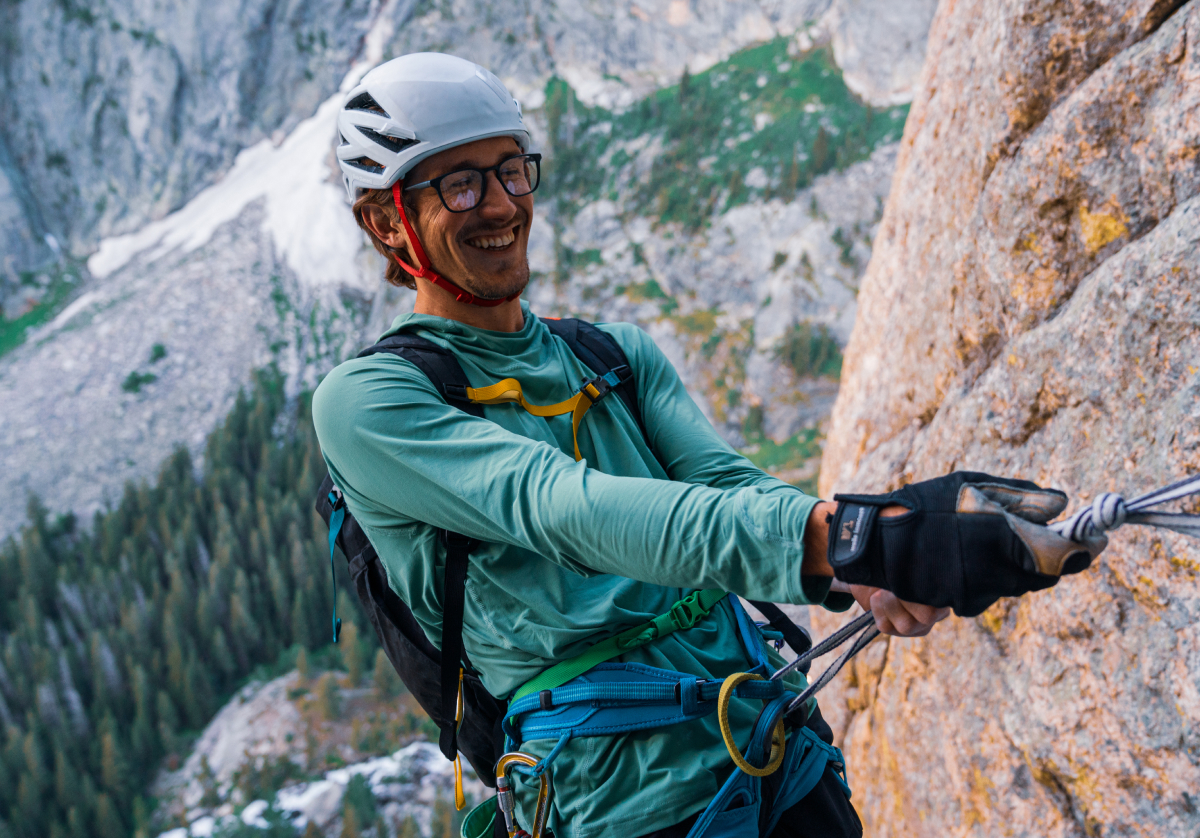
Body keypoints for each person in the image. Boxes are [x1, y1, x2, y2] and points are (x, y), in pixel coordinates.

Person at [313, 53, 1100, 838]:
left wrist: (862, 570)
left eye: (512, 169)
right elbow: (562, 507)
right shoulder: (369, 403)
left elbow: (725, 483)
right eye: (459, 183)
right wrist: (851, 539)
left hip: (773, 749)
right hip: (623, 803)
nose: (500, 205)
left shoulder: (609, 355)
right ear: (387, 221)